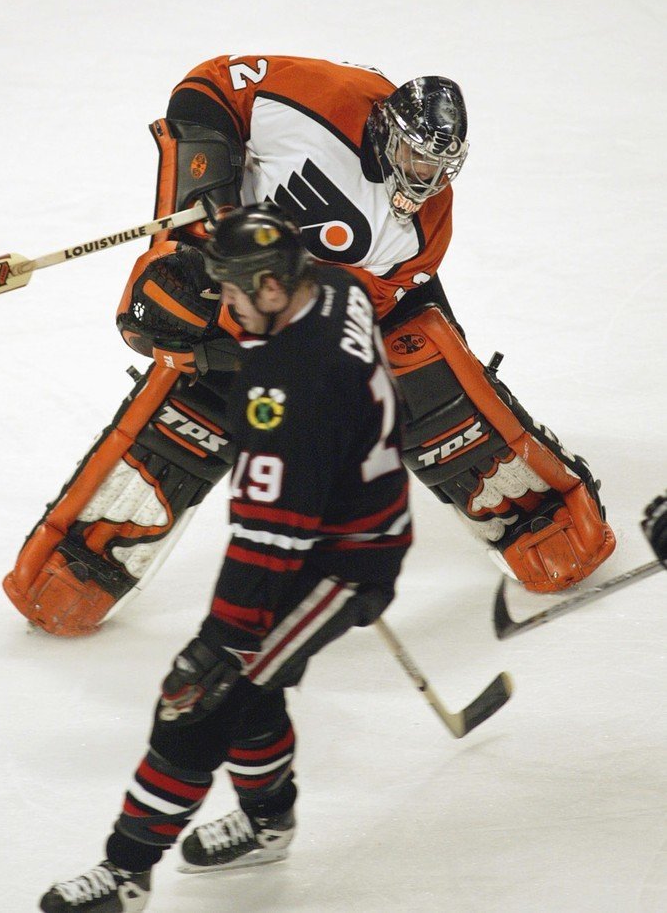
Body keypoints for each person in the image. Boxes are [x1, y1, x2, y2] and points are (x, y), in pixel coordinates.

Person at [4, 55, 615, 636]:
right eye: (414, 156)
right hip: (224, 261)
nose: (422, 179)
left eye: (437, 167)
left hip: (301, 305)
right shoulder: (328, 96)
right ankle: (85, 553)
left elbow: (351, 311)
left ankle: (540, 508)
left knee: (416, 365)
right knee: (169, 309)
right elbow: (208, 88)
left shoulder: (424, 228)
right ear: (385, 128)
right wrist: (206, 207)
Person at [38, 203, 411, 912]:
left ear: (273, 287)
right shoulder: (338, 287)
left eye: (237, 293)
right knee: (254, 691)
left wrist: (224, 642)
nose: (230, 308)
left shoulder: (288, 398)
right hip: (349, 518)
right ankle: (269, 823)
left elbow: (268, 541)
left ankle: (125, 873)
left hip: (338, 562)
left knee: (199, 701)